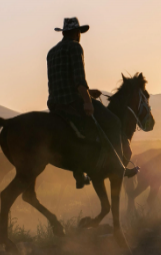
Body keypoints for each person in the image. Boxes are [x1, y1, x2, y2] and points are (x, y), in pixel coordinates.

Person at [47, 17, 133, 189]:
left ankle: (81, 170)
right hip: (73, 102)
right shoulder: (75, 47)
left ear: (64, 33)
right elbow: (79, 80)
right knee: (114, 123)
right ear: (77, 33)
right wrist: (87, 100)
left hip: (55, 105)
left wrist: (88, 92)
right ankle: (118, 166)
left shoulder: (51, 52)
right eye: (79, 32)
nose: (80, 35)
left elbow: (61, 82)